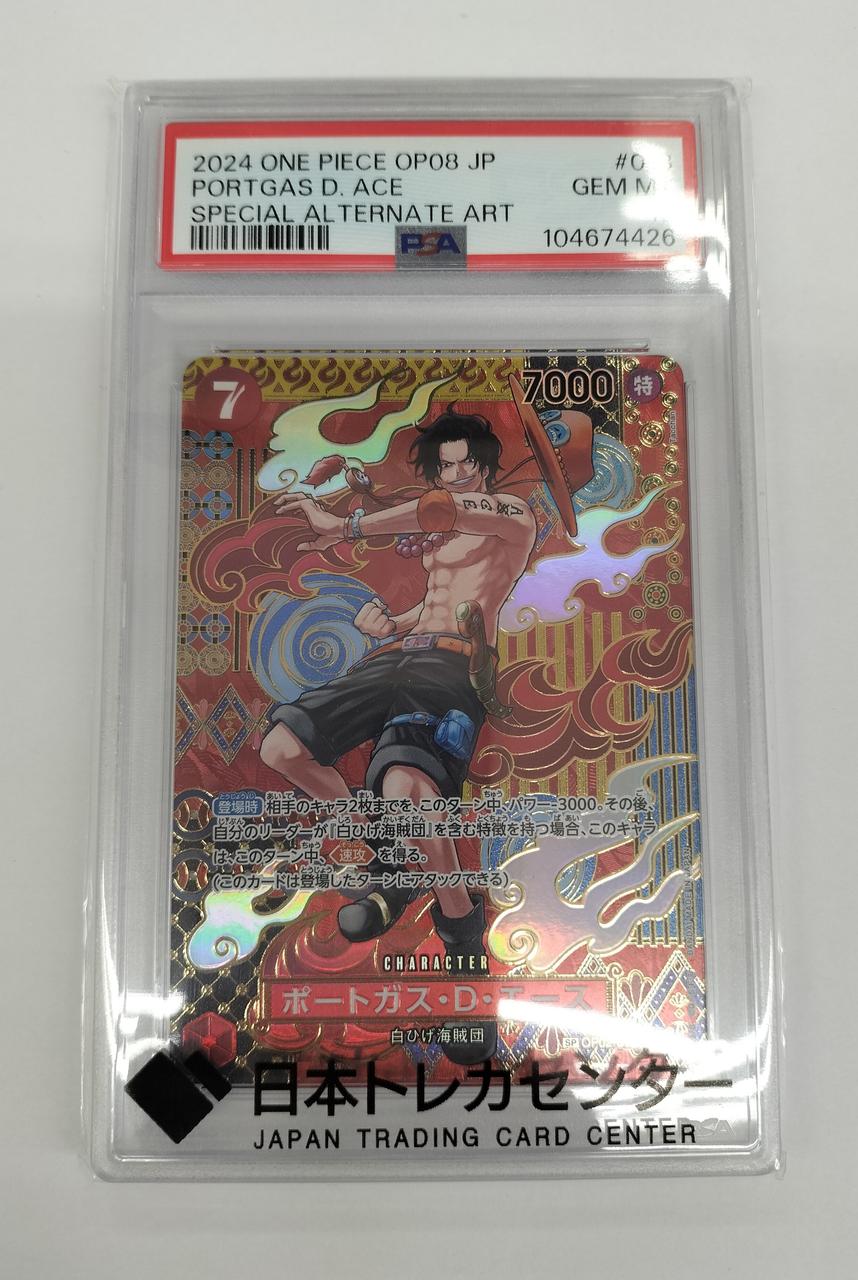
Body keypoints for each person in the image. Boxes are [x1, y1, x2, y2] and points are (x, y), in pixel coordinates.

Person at [258, 410, 537, 1062]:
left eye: (468, 463)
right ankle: (387, 857)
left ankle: (465, 958)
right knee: (282, 748)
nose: (458, 474)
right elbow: (437, 600)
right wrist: (393, 622)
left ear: (485, 466)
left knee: (409, 790)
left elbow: (445, 523)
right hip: (400, 657)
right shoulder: (446, 523)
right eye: (447, 464)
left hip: (451, 669)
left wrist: (341, 525)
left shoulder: (511, 516)